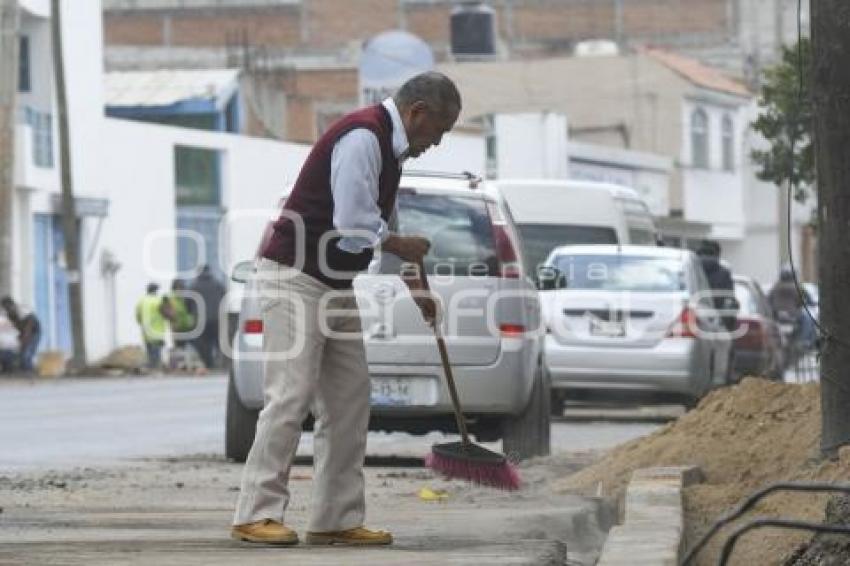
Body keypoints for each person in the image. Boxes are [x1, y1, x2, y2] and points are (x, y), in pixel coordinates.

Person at [231, 72, 460, 547]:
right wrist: (399, 243)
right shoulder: (362, 137)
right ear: (417, 113)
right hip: (293, 277)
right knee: (290, 395)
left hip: (333, 283)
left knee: (349, 400)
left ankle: (334, 519)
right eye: (438, 131)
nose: (436, 143)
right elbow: (354, 224)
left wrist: (415, 286)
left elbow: (382, 221)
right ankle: (255, 514)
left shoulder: (389, 152)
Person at [768, 265, 817, 349]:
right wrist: (811, 303)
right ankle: (803, 341)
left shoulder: (774, 288)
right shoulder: (798, 287)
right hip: (794, 315)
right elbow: (807, 300)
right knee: (809, 319)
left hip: (776, 316)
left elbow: (768, 300)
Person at [696, 240, 738, 331]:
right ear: (717, 254)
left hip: (696, 320)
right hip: (718, 324)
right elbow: (729, 300)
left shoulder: (691, 271)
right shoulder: (724, 274)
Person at [190, 265, 226, 370]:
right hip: (216, 318)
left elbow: (187, 302)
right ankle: (220, 363)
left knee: (203, 343)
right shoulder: (218, 284)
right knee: (217, 341)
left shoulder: (194, 286)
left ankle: (209, 363)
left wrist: (192, 312)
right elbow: (225, 297)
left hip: (200, 320)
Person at [0, 297, 42, 373]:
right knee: (14, 353)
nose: (7, 310)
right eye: (5, 308)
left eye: (8, 308)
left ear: (13, 305)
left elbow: (28, 329)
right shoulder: (7, 314)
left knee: (26, 355)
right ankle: (21, 371)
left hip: (34, 331)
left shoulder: (23, 310)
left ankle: (29, 372)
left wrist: (23, 343)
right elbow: (9, 328)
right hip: (22, 331)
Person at [135, 283, 167, 370]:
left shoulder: (142, 301)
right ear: (156, 291)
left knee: (149, 350)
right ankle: (156, 367)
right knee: (156, 351)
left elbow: (138, 316)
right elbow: (165, 313)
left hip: (146, 331)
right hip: (157, 330)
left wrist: (142, 323)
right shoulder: (159, 300)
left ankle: (151, 366)